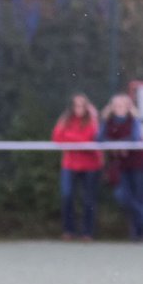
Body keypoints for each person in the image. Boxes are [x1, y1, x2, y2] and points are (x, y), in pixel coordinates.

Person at [99, 93, 143, 242]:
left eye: (122, 105)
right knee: (122, 196)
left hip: (140, 163)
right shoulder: (107, 121)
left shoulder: (134, 120)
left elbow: (135, 139)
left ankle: (139, 235)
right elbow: (99, 138)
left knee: (138, 198)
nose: (119, 108)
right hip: (122, 165)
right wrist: (116, 145)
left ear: (128, 107)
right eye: (116, 105)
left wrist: (117, 144)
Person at [50, 93, 102, 241]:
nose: (79, 108)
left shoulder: (92, 120)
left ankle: (87, 233)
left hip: (90, 166)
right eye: (76, 105)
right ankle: (68, 231)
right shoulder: (65, 120)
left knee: (88, 200)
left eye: (82, 105)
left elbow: (90, 140)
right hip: (70, 165)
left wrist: (71, 138)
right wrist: (77, 141)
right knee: (67, 196)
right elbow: (57, 137)